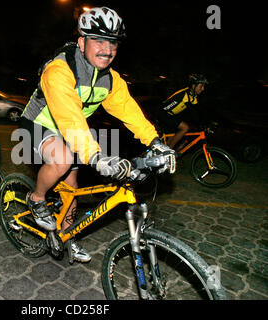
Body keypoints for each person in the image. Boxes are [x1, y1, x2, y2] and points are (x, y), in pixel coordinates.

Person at [20, 7, 176, 263]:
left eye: (113, 42)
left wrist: (156, 143)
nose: (108, 49)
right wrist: (96, 157)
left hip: (71, 129)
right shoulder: (60, 70)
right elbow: (69, 118)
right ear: (82, 42)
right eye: (99, 40)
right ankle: (36, 198)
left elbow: (130, 112)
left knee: (71, 190)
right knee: (62, 159)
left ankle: (65, 237)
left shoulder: (110, 80)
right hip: (39, 124)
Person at [157, 74, 209, 150]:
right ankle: (170, 153)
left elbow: (198, 111)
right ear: (194, 86)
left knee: (172, 138)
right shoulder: (184, 95)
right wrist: (202, 123)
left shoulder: (192, 97)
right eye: (201, 86)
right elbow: (193, 112)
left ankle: (167, 151)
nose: (203, 89)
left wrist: (206, 122)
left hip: (171, 115)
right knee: (185, 127)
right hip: (163, 113)